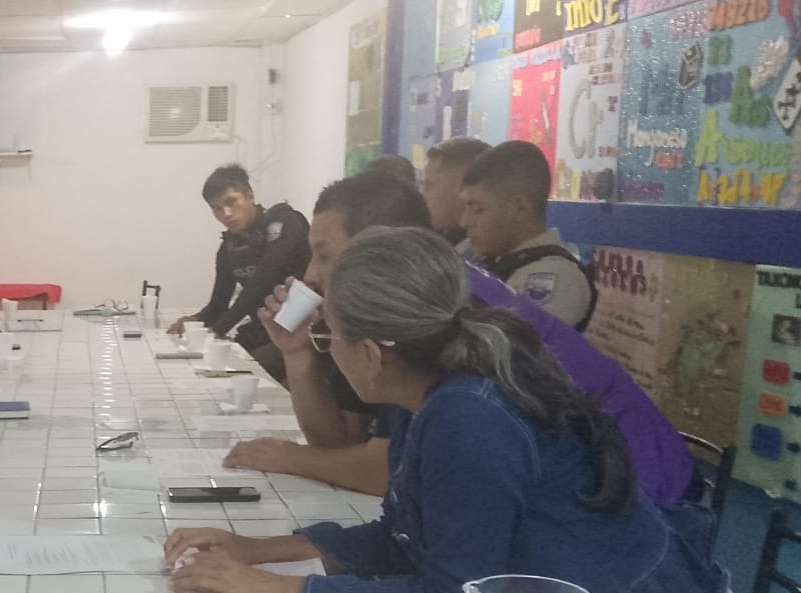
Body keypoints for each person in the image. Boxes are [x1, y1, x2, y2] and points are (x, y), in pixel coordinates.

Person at [166, 227, 797, 593]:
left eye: (330, 337)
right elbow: (406, 537)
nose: (326, 349)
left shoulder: (470, 415)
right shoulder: (433, 395)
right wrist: (261, 551)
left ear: (374, 354)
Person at [224, 172, 693, 512]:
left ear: (382, 246)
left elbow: (382, 472)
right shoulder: (391, 312)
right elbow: (341, 446)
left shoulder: (442, 306)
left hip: (642, 504)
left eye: (325, 255)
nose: (310, 275)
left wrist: (289, 457)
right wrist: (299, 356)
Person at [166, 163, 310, 383]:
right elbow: (218, 305)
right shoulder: (228, 248)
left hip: (300, 334)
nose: (226, 214)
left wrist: (217, 330)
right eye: (216, 209)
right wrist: (195, 321)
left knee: (231, 375)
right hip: (262, 332)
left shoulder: (285, 223)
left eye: (231, 202)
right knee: (206, 369)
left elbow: (261, 281)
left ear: (249, 196)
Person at [460, 140, 596, 328]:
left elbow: (514, 342)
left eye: (477, 209)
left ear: (518, 208)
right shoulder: (473, 251)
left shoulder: (556, 277)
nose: (465, 221)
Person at [420, 137, 490, 247]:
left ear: (463, 188)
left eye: (429, 185)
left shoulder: (485, 250)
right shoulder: (438, 239)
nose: (423, 195)